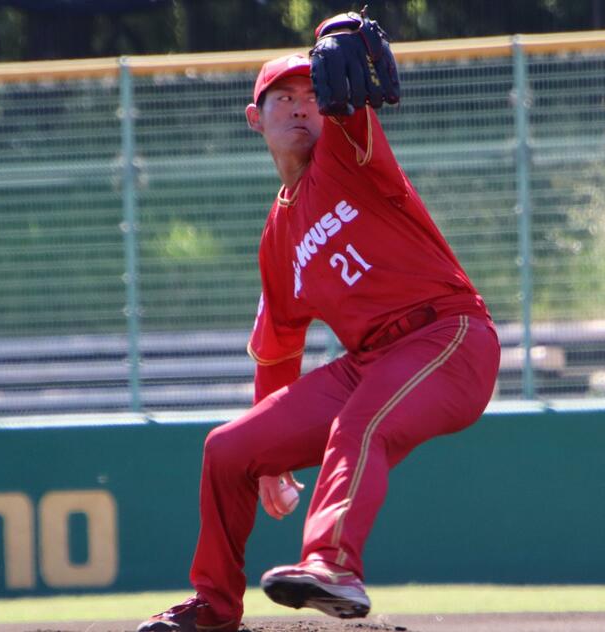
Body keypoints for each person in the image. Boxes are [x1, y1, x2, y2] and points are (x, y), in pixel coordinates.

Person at [138, 10, 500, 632]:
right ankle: (214, 608)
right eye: (284, 96)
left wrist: (340, 35)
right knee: (228, 449)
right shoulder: (278, 234)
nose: (303, 105)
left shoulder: (346, 149)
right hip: (370, 361)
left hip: (448, 338)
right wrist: (270, 461)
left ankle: (333, 565)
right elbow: (279, 347)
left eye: (312, 91)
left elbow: (351, 102)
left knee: (360, 423)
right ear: (256, 118)